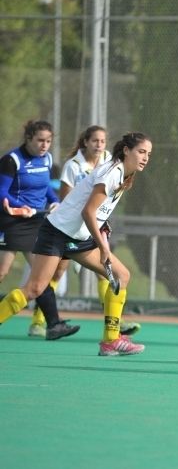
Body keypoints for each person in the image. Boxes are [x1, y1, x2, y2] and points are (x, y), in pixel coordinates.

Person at [0, 132, 152, 356]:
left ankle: (111, 340)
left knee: (122, 276)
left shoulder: (125, 174)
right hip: (57, 233)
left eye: (148, 154)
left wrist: (103, 224)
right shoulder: (112, 172)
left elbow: (96, 210)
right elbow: (88, 210)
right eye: (141, 152)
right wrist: (103, 248)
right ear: (127, 150)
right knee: (34, 289)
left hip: (78, 237)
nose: (146, 157)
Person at [27, 126, 141, 338]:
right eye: (95, 141)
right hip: (66, 230)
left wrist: (101, 223)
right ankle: (39, 321)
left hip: (86, 232)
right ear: (85, 142)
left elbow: (99, 205)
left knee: (111, 276)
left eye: (103, 141)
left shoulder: (112, 161)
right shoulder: (74, 166)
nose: (99, 145)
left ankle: (113, 329)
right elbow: (71, 201)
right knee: (52, 276)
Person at [0, 119, 77, 340]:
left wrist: (54, 202)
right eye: (40, 140)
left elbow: (46, 191)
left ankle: (53, 324)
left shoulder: (47, 159)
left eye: (49, 141)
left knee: (42, 275)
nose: (45, 145)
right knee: (2, 272)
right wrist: (18, 206)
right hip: (11, 222)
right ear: (28, 139)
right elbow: (1, 192)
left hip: (36, 223)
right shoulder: (11, 160)